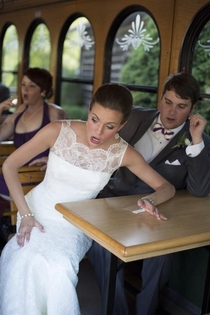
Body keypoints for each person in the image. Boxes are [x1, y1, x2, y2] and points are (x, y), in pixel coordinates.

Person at [0, 83, 175, 315]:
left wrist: (151, 200)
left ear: (122, 125)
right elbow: (9, 165)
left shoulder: (123, 153)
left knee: (57, 267)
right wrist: (26, 215)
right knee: (19, 257)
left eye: (110, 126)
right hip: (36, 210)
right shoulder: (57, 131)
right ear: (89, 111)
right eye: (94, 120)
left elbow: (167, 187)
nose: (98, 132)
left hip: (76, 224)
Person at [85, 72, 210, 315]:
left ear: (193, 108)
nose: (171, 112)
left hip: (155, 213)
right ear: (160, 98)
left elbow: (200, 190)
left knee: (162, 255)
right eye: (168, 102)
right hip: (112, 202)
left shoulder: (199, 142)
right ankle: (118, 311)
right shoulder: (134, 117)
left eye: (181, 106)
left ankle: (145, 311)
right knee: (102, 249)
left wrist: (195, 140)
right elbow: (95, 134)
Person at [0, 67, 68, 200]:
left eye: (31, 86)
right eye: (23, 84)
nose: (25, 89)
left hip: (42, 178)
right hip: (17, 176)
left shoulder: (54, 113)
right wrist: (0, 108)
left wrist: (52, 160)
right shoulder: (18, 115)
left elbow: (71, 146)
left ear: (43, 91)